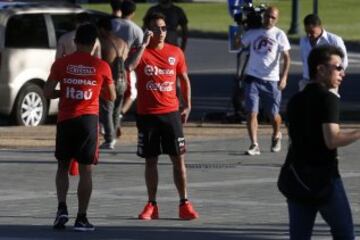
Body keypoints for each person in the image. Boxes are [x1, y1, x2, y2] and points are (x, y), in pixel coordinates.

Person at [280, 45, 360, 239]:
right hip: (324, 180)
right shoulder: (328, 99)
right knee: (344, 233)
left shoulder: (296, 99)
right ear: (321, 69)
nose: (343, 73)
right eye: (338, 67)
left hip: (297, 177)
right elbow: (332, 140)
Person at [126, 12, 198, 220]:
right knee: (151, 161)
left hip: (170, 114)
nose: (161, 32)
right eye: (156, 28)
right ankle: (152, 204)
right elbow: (129, 67)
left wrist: (187, 104)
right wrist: (143, 44)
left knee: (178, 160)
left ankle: (184, 203)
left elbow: (184, 78)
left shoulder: (175, 52)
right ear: (148, 30)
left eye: (164, 28)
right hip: (147, 115)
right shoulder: (140, 52)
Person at [44, 24, 116, 231]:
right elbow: (111, 96)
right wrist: (92, 90)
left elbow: (47, 92)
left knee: (62, 166)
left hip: (66, 120)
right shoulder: (101, 66)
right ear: (94, 44)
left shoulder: (62, 63)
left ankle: (61, 208)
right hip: (87, 121)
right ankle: (81, 217)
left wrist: (65, 92)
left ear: (75, 42)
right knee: (86, 171)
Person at [240, 6, 291, 155]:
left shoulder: (279, 35)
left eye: (273, 17)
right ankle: (254, 144)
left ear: (277, 19)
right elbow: (238, 45)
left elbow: (287, 57)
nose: (269, 19)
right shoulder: (253, 32)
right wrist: (239, 30)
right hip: (252, 78)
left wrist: (284, 77)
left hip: (271, 80)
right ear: (263, 16)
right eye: (267, 16)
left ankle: (277, 134)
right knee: (251, 112)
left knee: (273, 114)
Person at [97, 17, 129, 149]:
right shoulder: (123, 42)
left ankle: (109, 138)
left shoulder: (102, 43)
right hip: (123, 79)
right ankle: (113, 136)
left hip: (110, 81)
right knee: (116, 110)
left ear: (103, 29)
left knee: (107, 110)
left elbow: (99, 63)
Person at [299, 14, 348, 91]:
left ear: (320, 27)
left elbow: (343, 61)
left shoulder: (334, 40)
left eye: (312, 32)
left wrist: (334, 76)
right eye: (307, 31)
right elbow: (304, 59)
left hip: (327, 82)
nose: (309, 35)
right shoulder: (303, 41)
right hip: (307, 81)